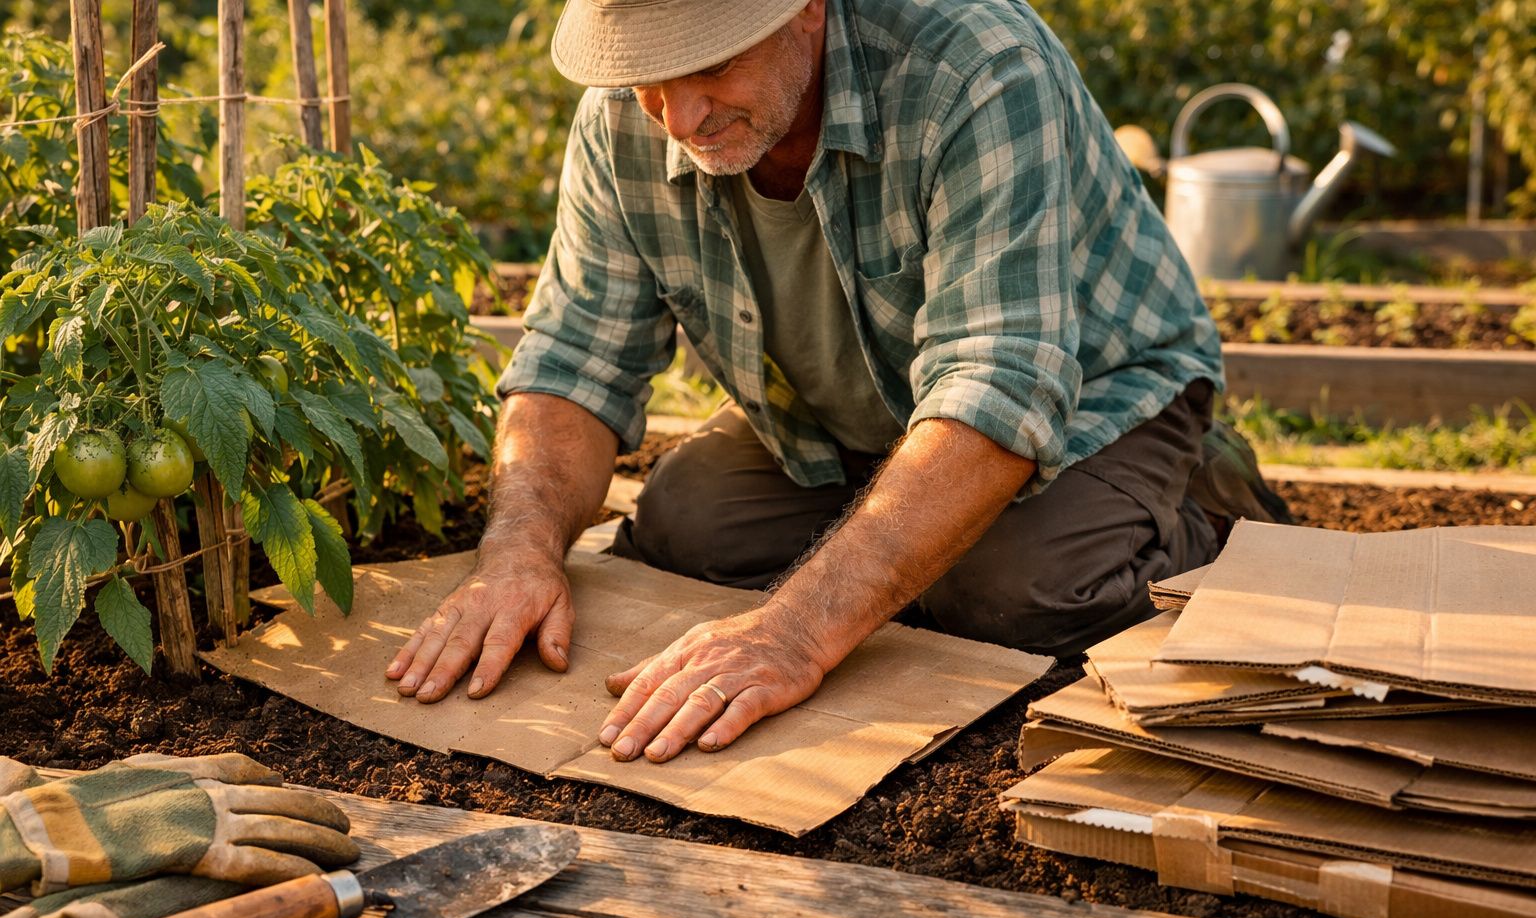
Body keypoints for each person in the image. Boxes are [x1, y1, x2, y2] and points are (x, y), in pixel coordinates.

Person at [384, 0, 1287, 765]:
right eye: (646, 78)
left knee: (1005, 595)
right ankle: (910, 524)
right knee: (683, 520)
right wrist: (519, 554)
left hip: (1103, 392)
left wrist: (794, 633)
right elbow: (573, 364)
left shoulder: (976, 67)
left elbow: (997, 384)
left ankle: (1204, 501)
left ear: (807, 9)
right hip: (851, 413)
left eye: (710, 66)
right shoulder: (626, 121)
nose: (680, 116)